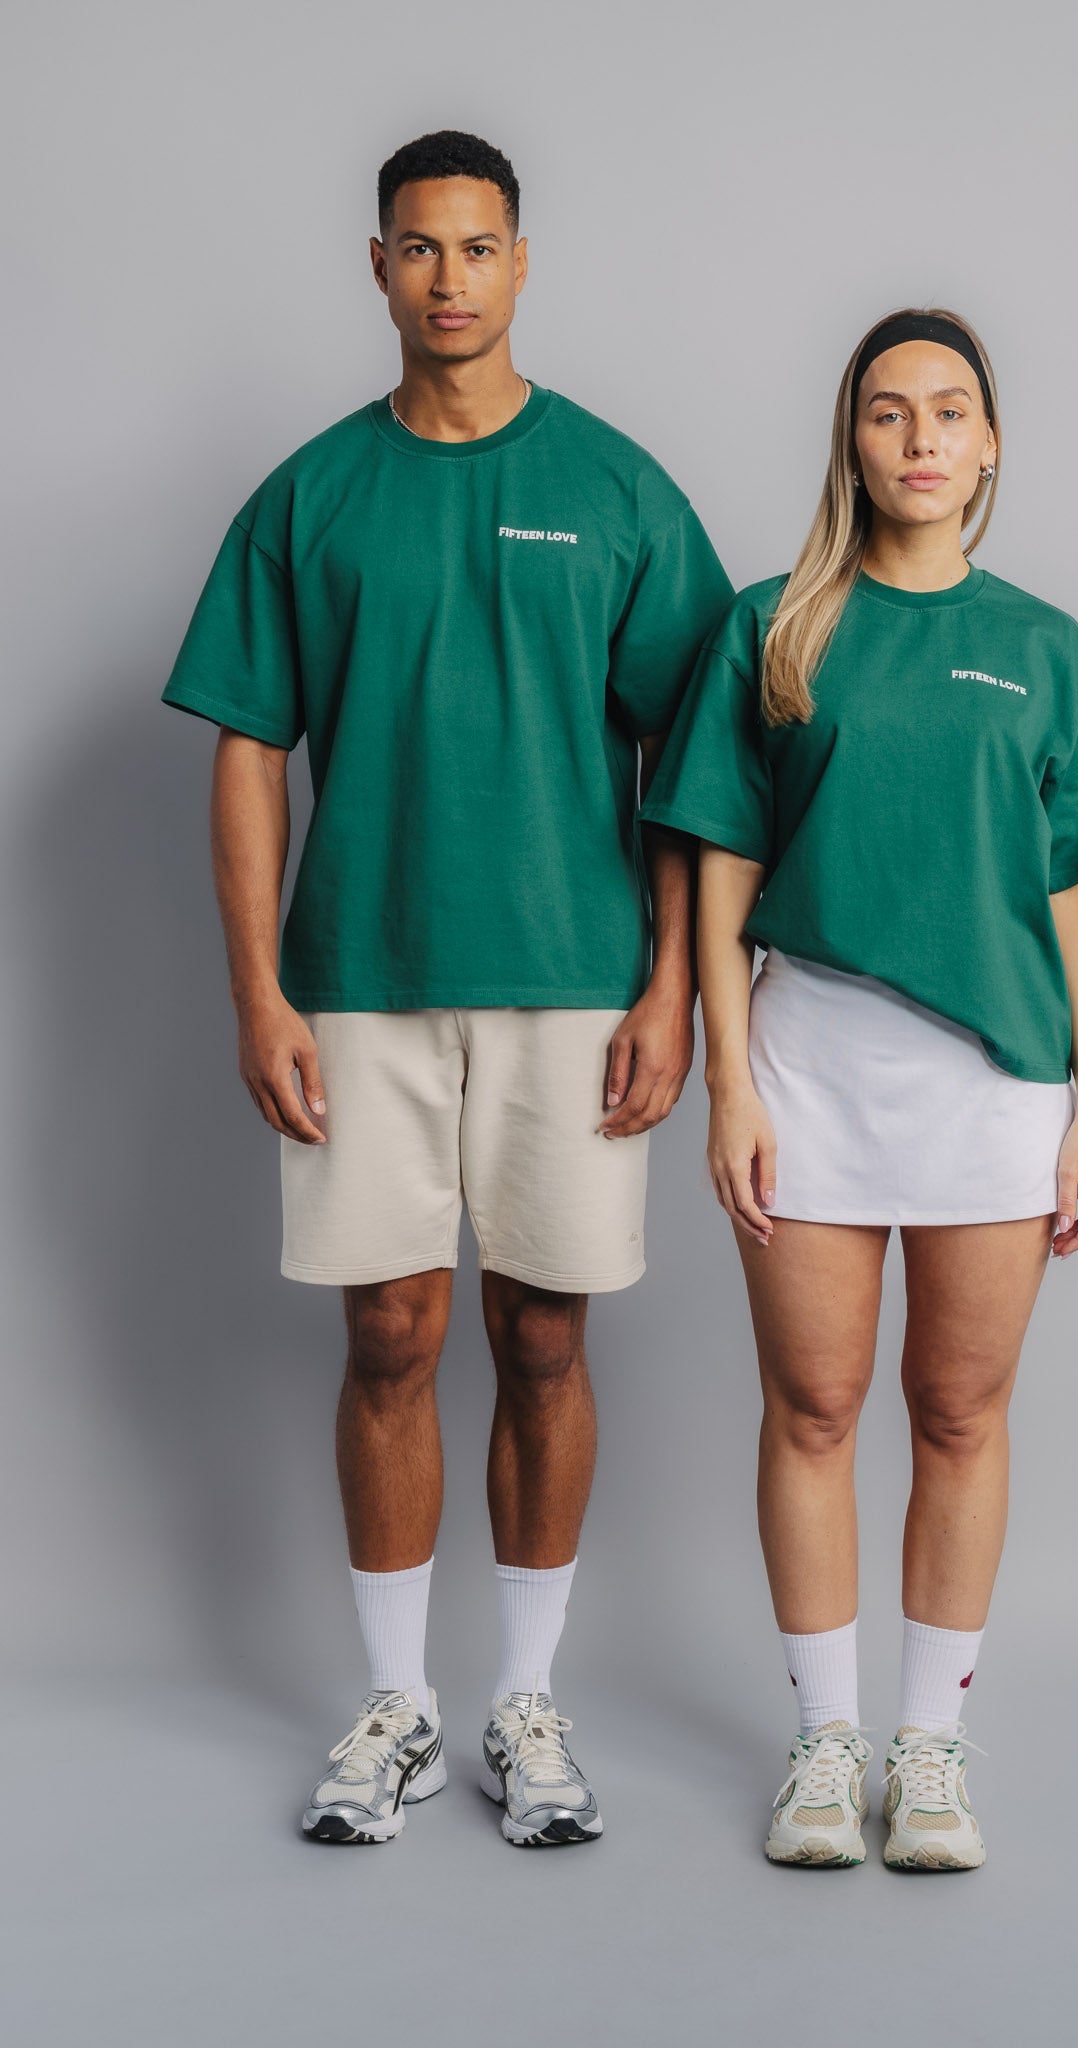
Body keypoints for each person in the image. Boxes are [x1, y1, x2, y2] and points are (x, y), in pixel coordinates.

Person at [160, 129, 733, 1849]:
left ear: (521, 263)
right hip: (361, 983)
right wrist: (256, 990)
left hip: (575, 984)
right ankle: (398, 1707)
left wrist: (673, 997)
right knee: (389, 1333)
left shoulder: (620, 489)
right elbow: (248, 753)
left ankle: (522, 1706)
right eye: (420, 249)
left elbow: (692, 757)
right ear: (377, 266)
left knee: (542, 1336)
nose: (450, 279)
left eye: (479, 248)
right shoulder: (312, 496)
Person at [639, 307, 1078, 1870]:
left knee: (957, 1410)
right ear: (850, 444)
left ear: (988, 444)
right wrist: (730, 1085)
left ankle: (928, 1752)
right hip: (808, 1065)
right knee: (812, 1407)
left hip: (996, 1081)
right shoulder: (772, 628)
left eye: (947, 411)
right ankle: (822, 1747)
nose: (918, 437)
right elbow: (715, 867)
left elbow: (1074, 897)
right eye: (885, 413)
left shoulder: (1050, 650)